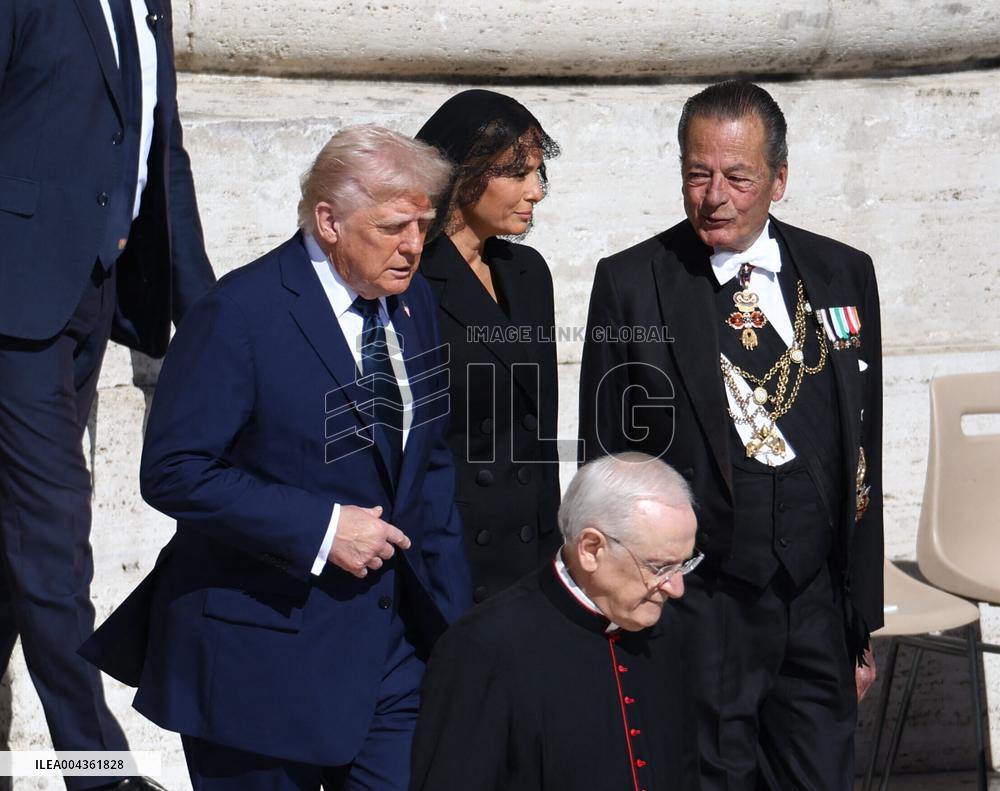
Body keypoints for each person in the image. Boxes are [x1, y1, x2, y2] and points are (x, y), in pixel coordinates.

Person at [80, 126, 472, 791]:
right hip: (255, 661)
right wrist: (322, 528)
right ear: (329, 221)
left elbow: (429, 468)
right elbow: (174, 469)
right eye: (394, 226)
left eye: (423, 226)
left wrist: (460, 633)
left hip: (388, 655)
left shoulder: (416, 304)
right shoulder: (240, 312)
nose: (413, 245)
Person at [578, 80, 883, 789]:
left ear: (778, 180)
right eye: (697, 173)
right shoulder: (632, 283)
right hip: (700, 604)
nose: (715, 194)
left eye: (738, 176)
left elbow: (862, 447)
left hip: (815, 601)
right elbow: (606, 459)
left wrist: (857, 619)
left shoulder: (844, 273)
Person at [0, 2, 215, 789]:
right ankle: (97, 770)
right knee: (53, 536)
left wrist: (206, 316)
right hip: (13, 308)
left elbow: (165, 152)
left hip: (90, 297)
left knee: (19, 545)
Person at [411, 452, 700, 791]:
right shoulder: (484, 647)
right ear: (591, 548)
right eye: (660, 568)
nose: (676, 588)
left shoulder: (666, 628)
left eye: (684, 564)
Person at [414, 90, 562, 603]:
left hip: (529, 558)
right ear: (463, 171)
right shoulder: (408, 279)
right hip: (449, 557)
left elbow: (541, 435)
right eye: (517, 173)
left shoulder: (528, 273)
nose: (536, 191)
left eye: (538, 173)